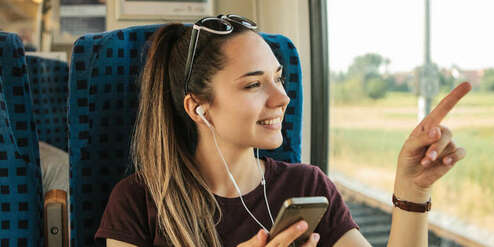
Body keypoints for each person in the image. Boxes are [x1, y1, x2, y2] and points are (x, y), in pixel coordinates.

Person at [95, 14, 470, 247]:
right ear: (198, 106)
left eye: (279, 78)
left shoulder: (307, 187)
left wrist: (413, 190)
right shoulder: (138, 202)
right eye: (253, 84)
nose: (283, 98)